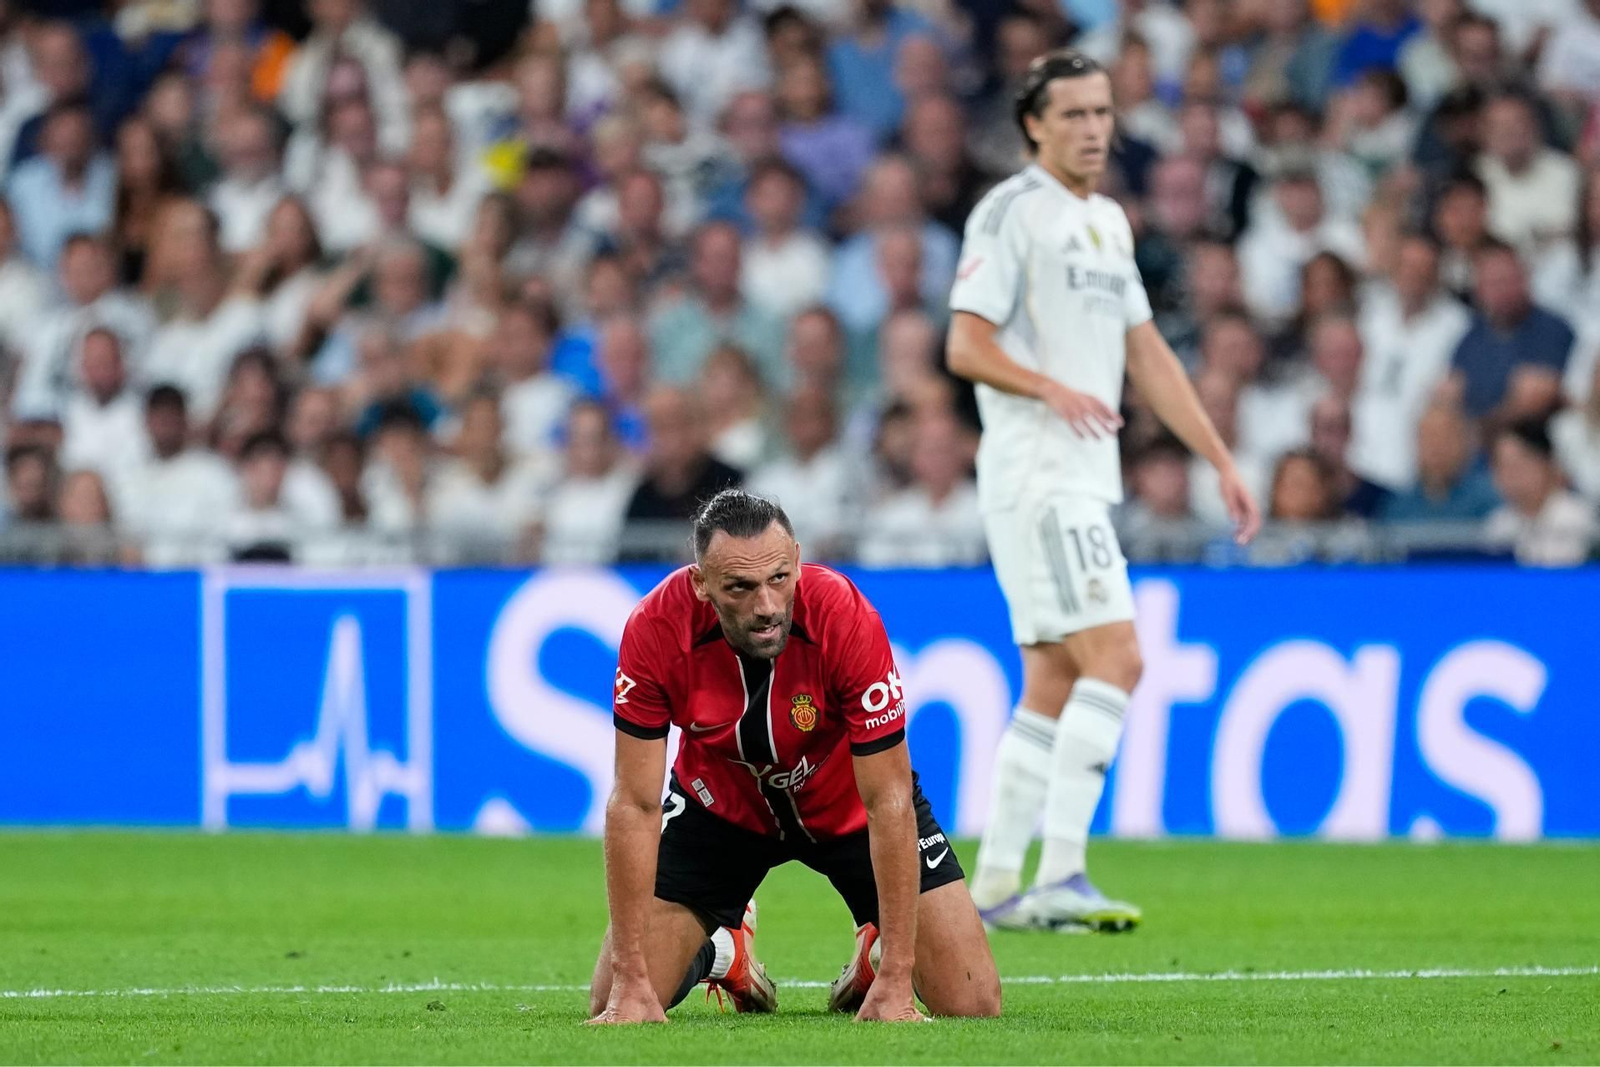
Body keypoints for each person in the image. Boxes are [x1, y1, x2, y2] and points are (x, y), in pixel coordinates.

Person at [944, 49, 1260, 933]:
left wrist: (1220, 459)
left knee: (1050, 677)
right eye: (1074, 114)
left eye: (1102, 113)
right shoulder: (1009, 213)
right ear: (1034, 125)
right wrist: (1049, 387)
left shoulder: (1109, 223)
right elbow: (964, 345)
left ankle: (1000, 884)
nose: (1093, 129)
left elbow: (1147, 352)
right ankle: (1066, 869)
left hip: (1077, 478)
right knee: (1119, 657)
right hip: (1041, 476)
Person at [586, 489, 999, 1024]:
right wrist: (632, 979)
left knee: (972, 1001)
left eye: (779, 579)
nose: (766, 606)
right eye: (740, 587)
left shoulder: (844, 616)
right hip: (720, 811)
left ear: (798, 561)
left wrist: (899, 976)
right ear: (702, 585)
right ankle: (723, 950)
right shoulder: (656, 629)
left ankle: (878, 957)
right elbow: (635, 804)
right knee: (611, 998)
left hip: (848, 811)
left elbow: (889, 797)